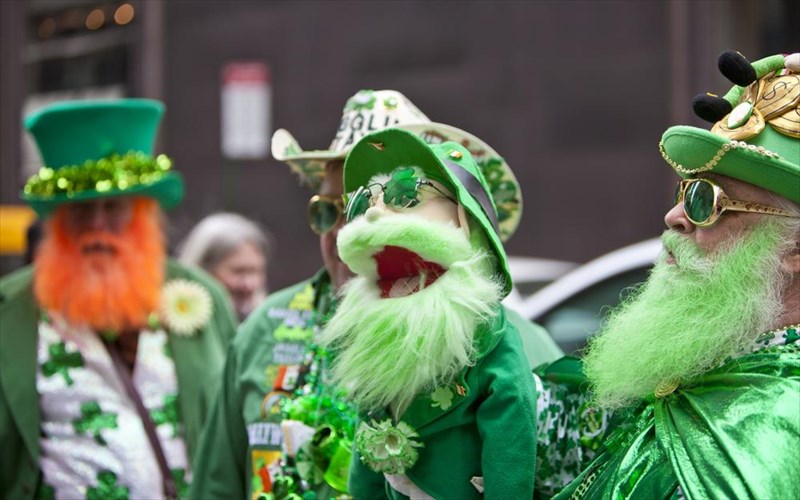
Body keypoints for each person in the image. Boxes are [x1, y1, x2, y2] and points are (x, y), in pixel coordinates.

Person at [190, 89, 561, 499]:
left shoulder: (514, 343)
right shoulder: (263, 331)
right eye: (330, 210)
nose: (351, 229)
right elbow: (215, 486)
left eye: (404, 200)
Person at [539, 50, 800, 499]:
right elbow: (544, 429)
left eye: (706, 199)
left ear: (794, 249)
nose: (674, 216)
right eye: (684, 190)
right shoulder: (702, 366)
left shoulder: (775, 423)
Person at [0, 99, 238, 500]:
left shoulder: (204, 298)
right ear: (56, 220)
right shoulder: (10, 310)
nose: (97, 225)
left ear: (144, 214)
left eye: (114, 207)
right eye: (81, 209)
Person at [320, 128, 537, 498]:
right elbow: (367, 445)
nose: (375, 212)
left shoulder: (489, 335)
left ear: (463, 218)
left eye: (405, 192)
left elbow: (511, 441)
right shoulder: (375, 331)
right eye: (362, 201)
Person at [178, 212, 271, 322]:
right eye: (239, 272)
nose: (250, 284)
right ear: (202, 270)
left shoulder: (268, 325)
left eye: (256, 271)